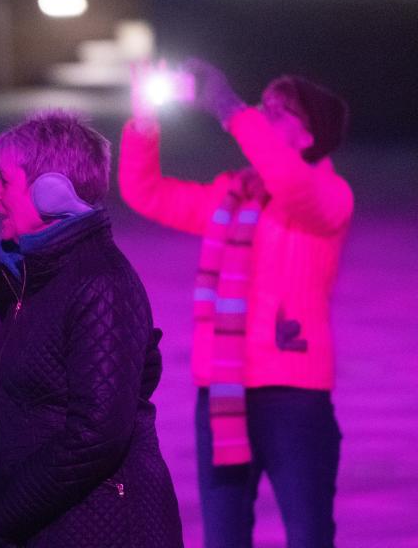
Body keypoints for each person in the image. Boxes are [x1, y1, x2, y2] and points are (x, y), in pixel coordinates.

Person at [119, 59, 351, 547]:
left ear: (309, 138)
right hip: (223, 394)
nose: (261, 116)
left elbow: (291, 185)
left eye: (278, 111)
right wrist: (143, 121)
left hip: (294, 395)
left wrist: (229, 108)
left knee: (309, 536)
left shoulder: (329, 196)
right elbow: (147, 194)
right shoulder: (233, 196)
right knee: (223, 539)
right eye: (260, 106)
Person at [0, 109, 183, 547]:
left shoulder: (100, 283)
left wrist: (6, 514)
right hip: (54, 524)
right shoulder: (35, 278)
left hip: (99, 526)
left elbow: (95, 435)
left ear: (51, 193)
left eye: (4, 181)